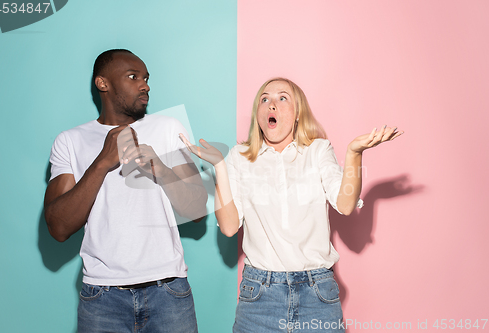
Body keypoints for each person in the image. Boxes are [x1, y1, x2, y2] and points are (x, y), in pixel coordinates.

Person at [180, 77, 403, 332]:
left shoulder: (318, 151)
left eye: (282, 98)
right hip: (259, 296)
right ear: (258, 113)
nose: (271, 104)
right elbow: (229, 227)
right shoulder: (239, 158)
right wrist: (220, 167)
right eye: (265, 99)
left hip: (317, 293)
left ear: (298, 114)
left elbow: (345, 203)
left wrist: (354, 152)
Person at [44, 49, 207, 333]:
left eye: (146, 78)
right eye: (133, 77)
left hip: (168, 291)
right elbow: (58, 228)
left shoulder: (168, 127)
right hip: (102, 297)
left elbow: (197, 212)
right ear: (102, 83)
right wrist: (102, 162)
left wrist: (160, 169)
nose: (144, 85)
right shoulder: (70, 140)